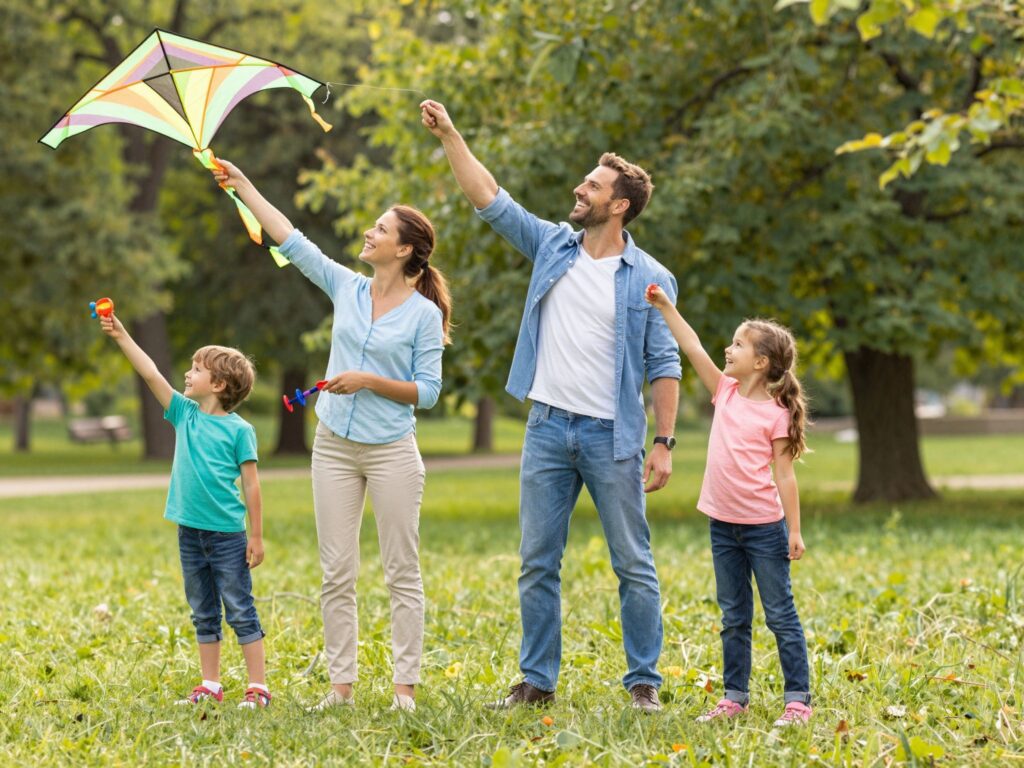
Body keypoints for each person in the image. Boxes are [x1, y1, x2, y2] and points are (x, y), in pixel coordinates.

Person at [421, 100, 681, 712]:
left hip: (612, 437)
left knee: (633, 564)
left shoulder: (650, 275)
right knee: (537, 563)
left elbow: (665, 364)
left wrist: (664, 442)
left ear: (618, 204)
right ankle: (537, 681)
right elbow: (490, 199)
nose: (579, 189)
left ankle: (644, 682)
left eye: (591, 185)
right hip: (545, 430)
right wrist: (452, 135)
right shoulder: (552, 247)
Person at [209, 160, 449, 713]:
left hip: (391, 451)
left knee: (401, 571)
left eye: (381, 229)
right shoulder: (346, 284)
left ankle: (404, 692)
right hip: (335, 446)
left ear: (406, 249)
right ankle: (341, 690)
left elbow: (430, 392)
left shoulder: (422, 315)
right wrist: (244, 185)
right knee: (337, 571)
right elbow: (292, 240)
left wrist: (367, 381)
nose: (370, 232)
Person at [645, 285, 813, 727]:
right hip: (723, 526)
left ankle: (797, 700)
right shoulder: (725, 392)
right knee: (733, 616)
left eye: (738, 343)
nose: (728, 347)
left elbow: (785, 477)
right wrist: (666, 306)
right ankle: (734, 696)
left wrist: (794, 531)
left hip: (763, 529)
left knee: (780, 615)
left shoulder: (776, 413)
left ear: (761, 362)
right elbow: (692, 345)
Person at [97, 314, 268, 708]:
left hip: (227, 536)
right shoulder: (183, 414)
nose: (187, 375)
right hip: (190, 533)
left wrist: (256, 536)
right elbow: (151, 373)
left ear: (220, 384)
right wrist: (121, 333)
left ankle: (258, 687)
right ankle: (210, 684)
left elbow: (252, 485)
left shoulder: (240, 430)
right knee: (203, 611)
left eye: (196, 369)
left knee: (240, 609)